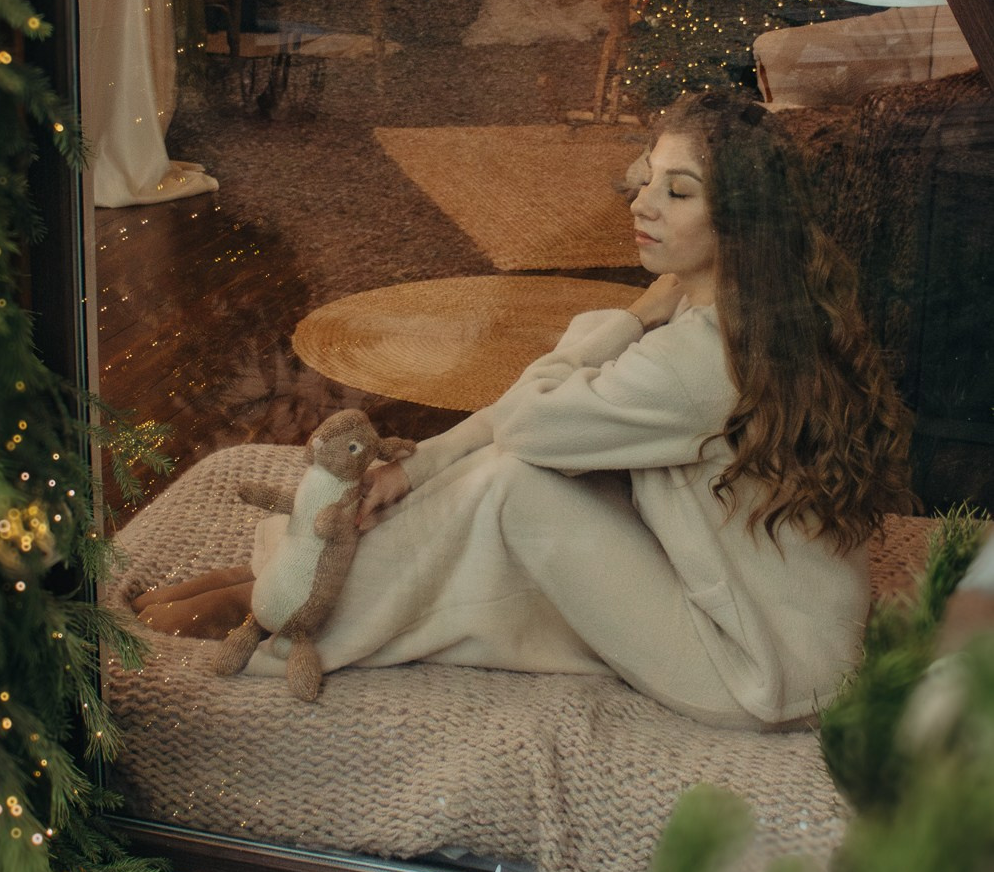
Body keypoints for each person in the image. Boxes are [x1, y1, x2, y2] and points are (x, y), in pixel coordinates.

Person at [132, 91, 913, 728]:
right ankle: (297, 575)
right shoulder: (750, 305)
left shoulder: (698, 355)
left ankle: (292, 607)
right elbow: (534, 420)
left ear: (739, 218)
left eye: (677, 192)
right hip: (779, 630)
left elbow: (533, 426)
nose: (642, 204)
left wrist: (628, 318)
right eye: (645, 180)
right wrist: (420, 468)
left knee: (516, 485)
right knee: (516, 476)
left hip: (758, 670)